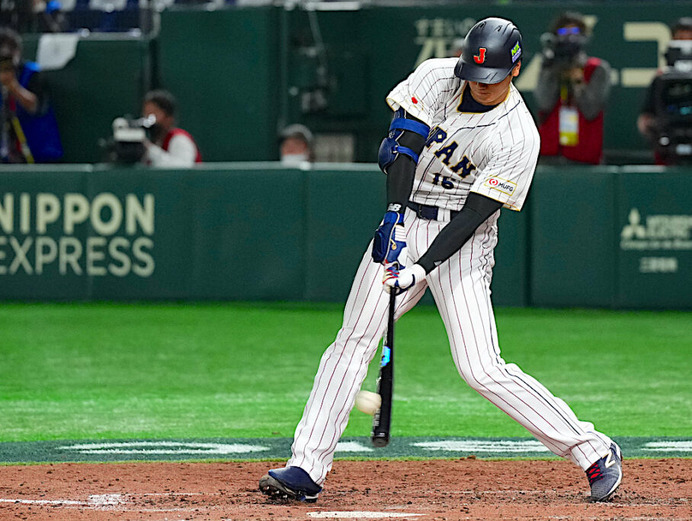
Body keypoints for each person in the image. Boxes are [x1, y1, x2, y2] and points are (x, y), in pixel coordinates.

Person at [259, 17, 622, 505]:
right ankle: (307, 465)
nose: (478, 85)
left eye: (490, 78)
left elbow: (475, 214)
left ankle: (594, 451)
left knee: (480, 367)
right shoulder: (435, 76)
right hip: (408, 214)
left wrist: (422, 265)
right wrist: (394, 216)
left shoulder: (517, 136)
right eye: (473, 74)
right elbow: (403, 145)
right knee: (353, 341)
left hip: (463, 239)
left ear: (513, 72)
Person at [534, 12, 611, 165]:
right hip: (550, 154)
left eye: (574, 32)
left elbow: (591, 110)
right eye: (563, 32)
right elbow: (544, 102)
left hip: (585, 155)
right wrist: (553, 71)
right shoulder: (549, 67)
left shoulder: (597, 69)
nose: (569, 37)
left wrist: (577, 81)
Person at [0, 26, 62, 163]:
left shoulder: (33, 74)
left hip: (39, 151)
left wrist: (12, 85)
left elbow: (36, 107)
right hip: (7, 155)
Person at [637, 17, 692, 165]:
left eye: (690, 39)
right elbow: (646, 118)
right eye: (680, 39)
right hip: (669, 154)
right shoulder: (662, 78)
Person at [141, 89, 201, 167]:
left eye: (154, 114)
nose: (149, 119)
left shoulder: (179, 139)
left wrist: (151, 151)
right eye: (146, 114)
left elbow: (184, 168)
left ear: (169, 117)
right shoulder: (157, 141)